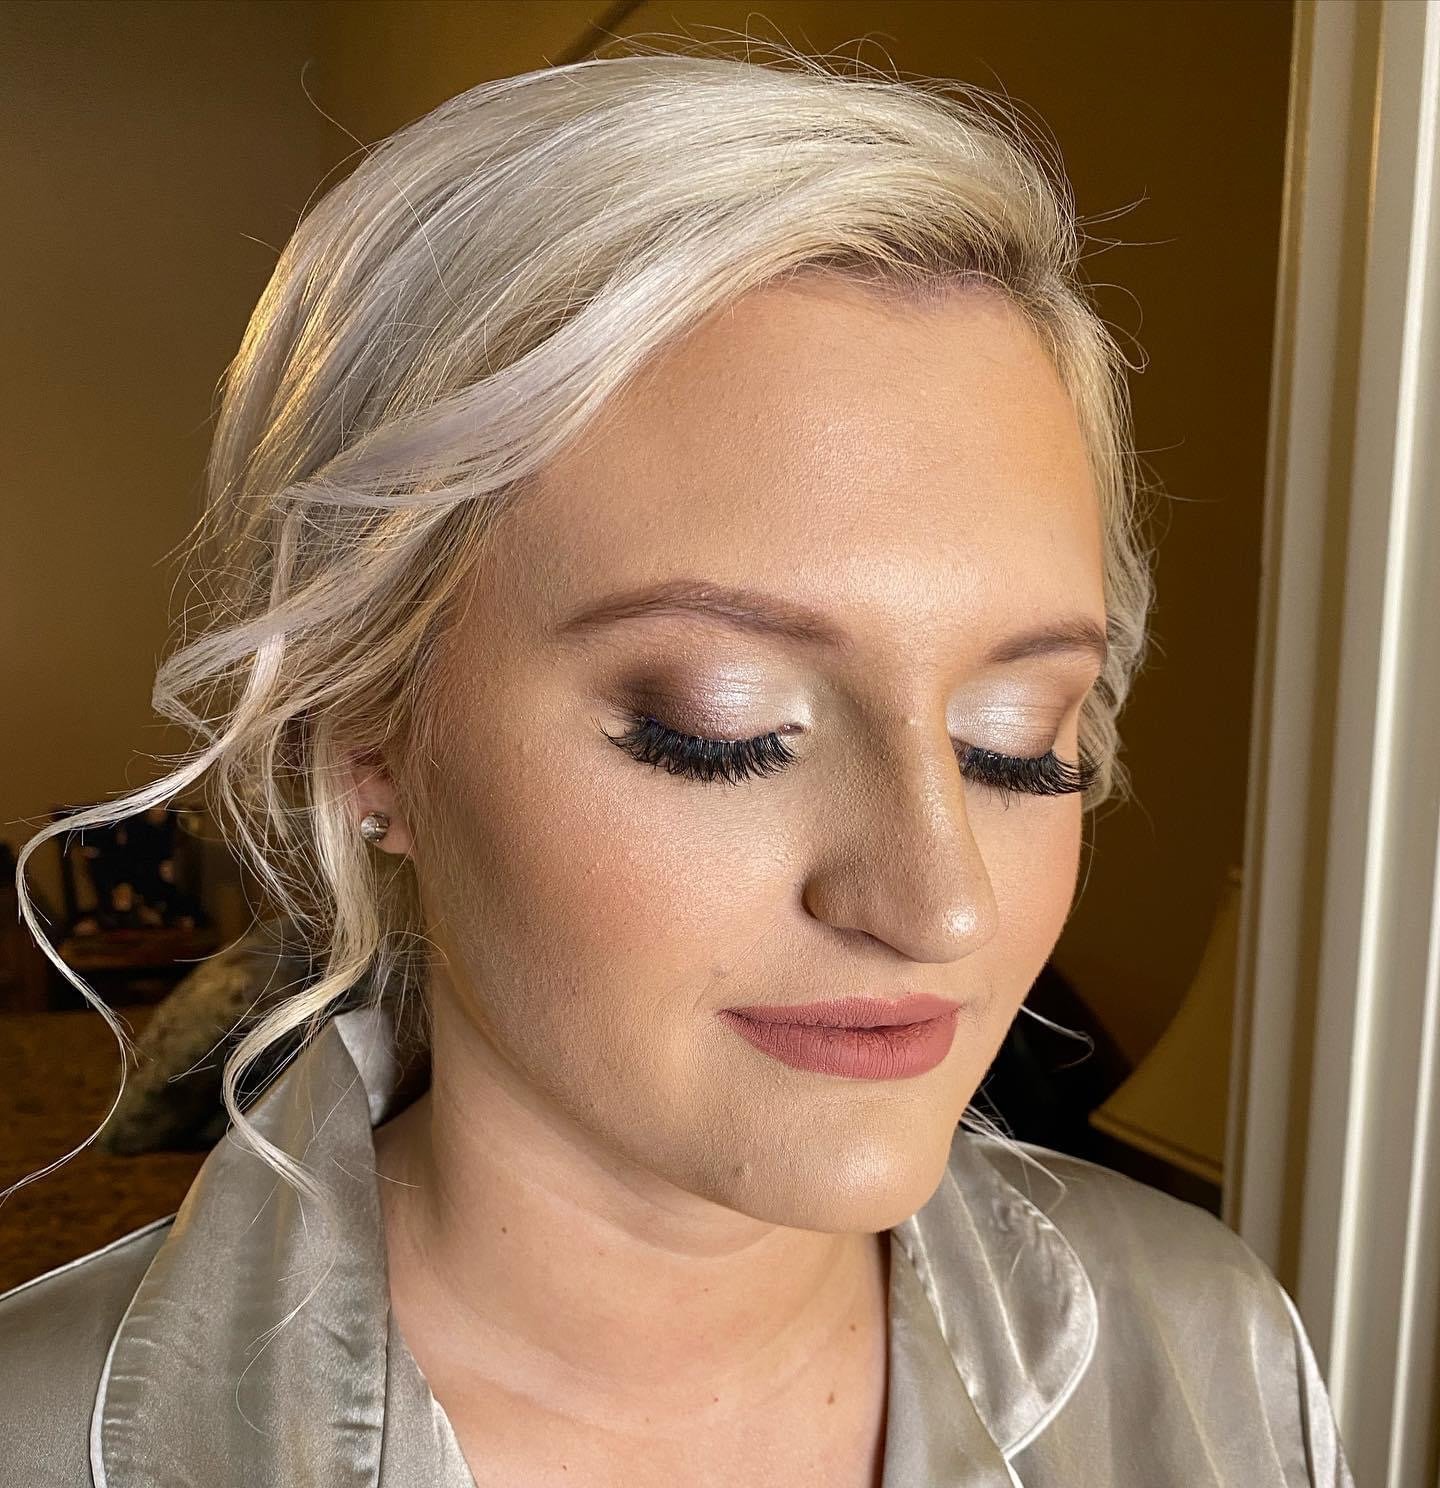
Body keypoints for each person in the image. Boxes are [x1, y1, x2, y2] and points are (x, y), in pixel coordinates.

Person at [0, 41, 1354, 1487]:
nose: (938, 902)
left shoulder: (1214, 1352)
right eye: (722, 726)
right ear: (362, 734)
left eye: (1014, 744)